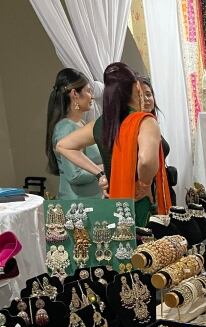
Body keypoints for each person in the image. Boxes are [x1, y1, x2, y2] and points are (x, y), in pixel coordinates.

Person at [57, 62, 171, 226]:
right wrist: (144, 184)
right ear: (134, 88)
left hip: (114, 202)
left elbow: (63, 145)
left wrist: (100, 174)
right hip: (142, 204)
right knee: (146, 250)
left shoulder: (102, 124)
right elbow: (145, 160)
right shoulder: (145, 122)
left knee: (120, 247)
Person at [45, 68, 103, 199]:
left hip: (91, 199)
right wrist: (107, 167)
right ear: (75, 94)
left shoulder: (81, 124)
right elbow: (75, 175)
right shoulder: (65, 128)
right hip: (78, 206)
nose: (92, 96)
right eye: (88, 91)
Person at [139, 76, 177, 206]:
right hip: (148, 192)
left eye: (148, 94)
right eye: (140, 95)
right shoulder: (136, 126)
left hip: (162, 186)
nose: (146, 99)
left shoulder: (150, 122)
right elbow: (144, 162)